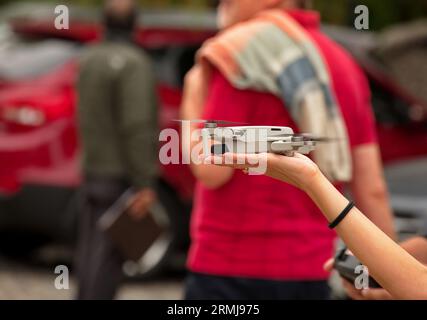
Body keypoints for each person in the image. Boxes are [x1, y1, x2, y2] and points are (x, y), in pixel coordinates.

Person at [181, 0, 395, 300]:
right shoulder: (344, 64)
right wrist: (391, 276)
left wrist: (192, 98)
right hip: (311, 269)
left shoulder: (239, 53)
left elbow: (211, 169)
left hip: (229, 269)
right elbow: (372, 189)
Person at [206, 151, 427, 300]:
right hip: (302, 262)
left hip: (224, 260)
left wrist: (311, 180)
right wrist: (376, 261)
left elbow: (420, 289)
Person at [75, 0, 158, 300]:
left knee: (89, 252)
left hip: (93, 167)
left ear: (103, 24)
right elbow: (137, 126)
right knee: (108, 260)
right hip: (119, 174)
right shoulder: (134, 63)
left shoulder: (89, 58)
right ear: (136, 25)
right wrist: (145, 182)